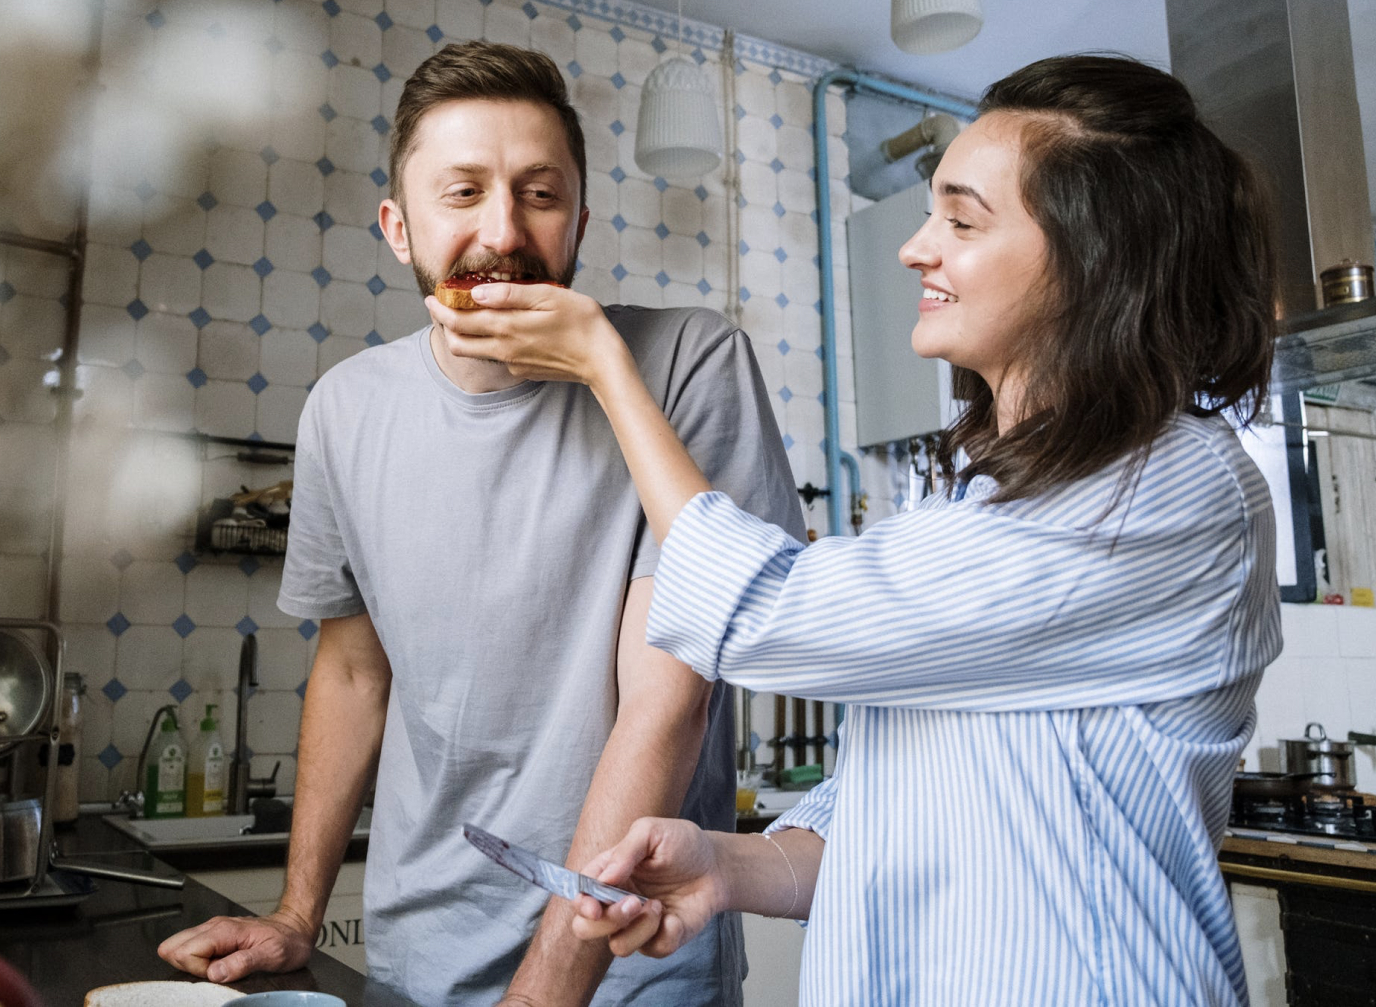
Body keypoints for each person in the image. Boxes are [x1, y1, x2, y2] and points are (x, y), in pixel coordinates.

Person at [429, 54, 1282, 1006]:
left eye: (961, 219)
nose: (918, 247)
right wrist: (720, 864)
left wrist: (607, 368)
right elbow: (886, 812)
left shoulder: (1170, 489)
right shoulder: (970, 496)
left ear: (1097, 260)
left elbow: (767, 616)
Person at [157, 40, 803, 1006]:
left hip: (634, 967)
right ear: (398, 226)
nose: (503, 230)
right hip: (417, 959)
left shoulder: (688, 365)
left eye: (540, 194)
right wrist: (299, 913)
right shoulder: (343, 408)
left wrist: (546, 989)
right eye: (462, 193)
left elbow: (667, 706)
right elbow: (349, 669)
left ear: (580, 219)